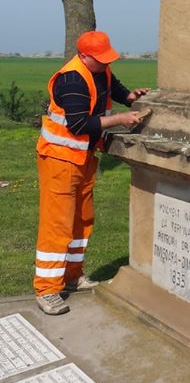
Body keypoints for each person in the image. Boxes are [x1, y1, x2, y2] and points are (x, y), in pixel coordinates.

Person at [34, 30, 149, 315]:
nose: (105, 64)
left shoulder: (99, 69)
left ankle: (72, 276)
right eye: (100, 60)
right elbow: (78, 125)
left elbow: (113, 87)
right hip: (60, 159)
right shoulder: (71, 79)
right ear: (84, 56)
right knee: (57, 224)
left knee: (82, 219)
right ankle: (47, 290)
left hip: (83, 158)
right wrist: (121, 119)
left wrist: (129, 97)